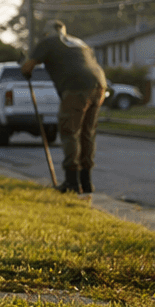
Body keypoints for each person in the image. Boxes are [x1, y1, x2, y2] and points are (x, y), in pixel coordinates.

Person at [22, 19, 107, 194]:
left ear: (46, 33)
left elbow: (29, 66)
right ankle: (86, 182)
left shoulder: (48, 41)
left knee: (70, 131)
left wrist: (25, 70)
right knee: (87, 133)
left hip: (76, 87)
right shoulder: (79, 42)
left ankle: (72, 183)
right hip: (99, 85)